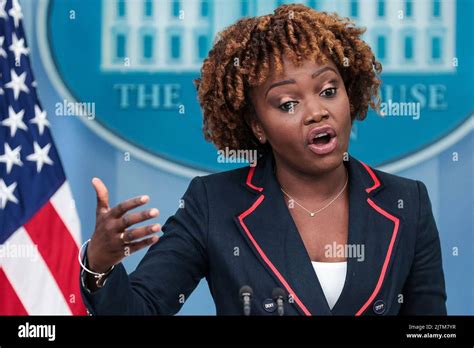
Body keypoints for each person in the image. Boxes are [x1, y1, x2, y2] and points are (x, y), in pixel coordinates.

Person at [79, 4, 447, 315]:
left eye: (329, 90)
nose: (317, 112)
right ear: (257, 125)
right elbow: (140, 309)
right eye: (288, 103)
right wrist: (100, 265)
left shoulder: (407, 202)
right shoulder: (213, 204)